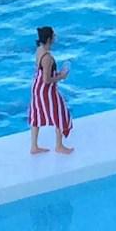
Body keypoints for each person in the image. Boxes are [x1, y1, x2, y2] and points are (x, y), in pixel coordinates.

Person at [28, 24, 73, 155]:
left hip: (36, 87)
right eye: (53, 36)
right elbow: (47, 80)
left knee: (36, 114)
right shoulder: (47, 58)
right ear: (49, 39)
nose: (55, 38)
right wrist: (61, 76)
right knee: (61, 113)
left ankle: (34, 146)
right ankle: (59, 146)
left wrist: (57, 74)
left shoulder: (39, 50)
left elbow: (42, 72)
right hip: (46, 91)